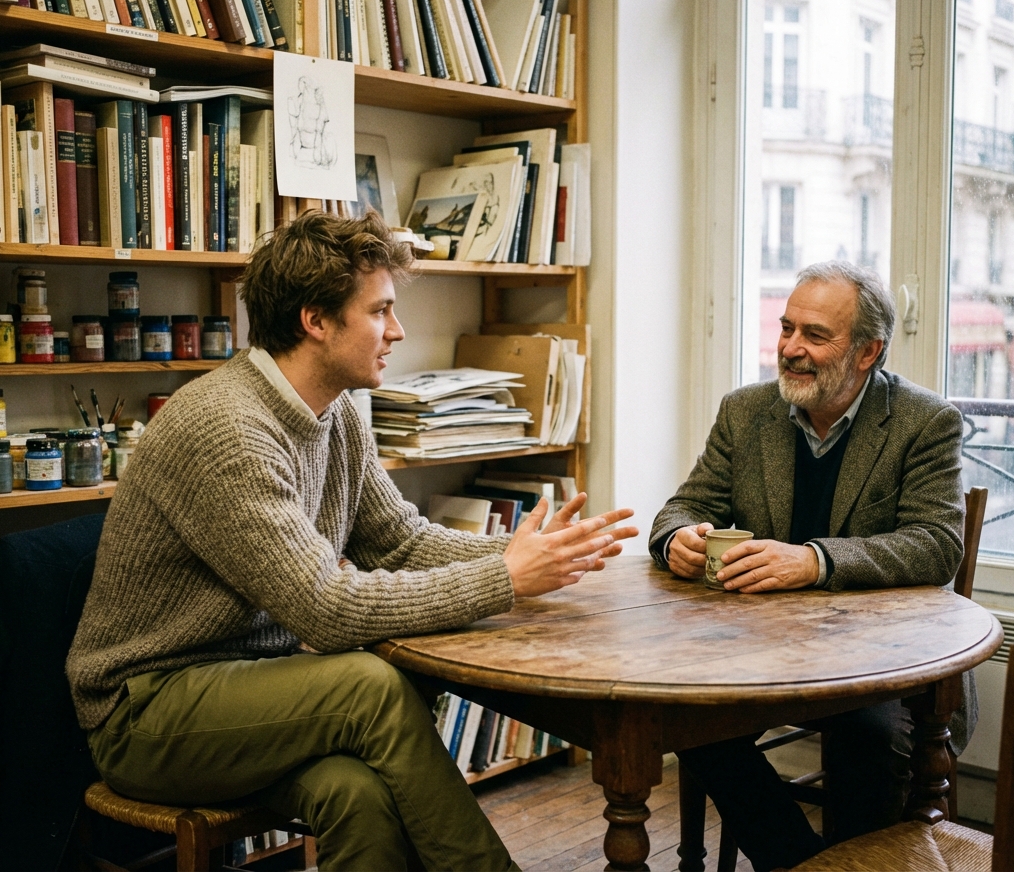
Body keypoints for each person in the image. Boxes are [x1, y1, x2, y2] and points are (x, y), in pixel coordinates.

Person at [66, 210, 637, 871]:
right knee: (374, 686)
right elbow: (325, 609)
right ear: (316, 320)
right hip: (146, 712)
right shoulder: (227, 431)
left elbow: (398, 542)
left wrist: (532, 556)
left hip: (249, 690)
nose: (398, 331)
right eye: (381, 311)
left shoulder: (334, 412)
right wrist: (505, 578)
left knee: (358, 795)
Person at [649, 261, 972, 872]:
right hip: (765, 654)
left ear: (867, 351)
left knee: (869, 740)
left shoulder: (925, 422)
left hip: (889, 660)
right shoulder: (746, 412)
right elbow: (685, 505)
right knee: (686, 722)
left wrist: (814, 561)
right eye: (786, 327)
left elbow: (936, 544)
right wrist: (676, 540)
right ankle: (798, 862)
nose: (791, 349)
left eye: (815, 335)